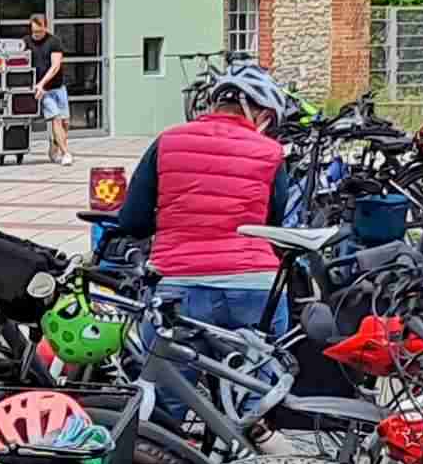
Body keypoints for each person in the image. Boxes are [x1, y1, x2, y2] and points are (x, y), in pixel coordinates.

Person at [101, 62, 297, 333]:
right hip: (253, 285)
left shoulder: (167, 141)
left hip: (177, 284)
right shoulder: (272, 153)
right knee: (261, 371)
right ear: (261, 114)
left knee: (165, 373)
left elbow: (133, 220)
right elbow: (272, 228)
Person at [27, 11, 73, 160]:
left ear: (45, 28)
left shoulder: (54, 42)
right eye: (34, 31)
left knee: (65, 122)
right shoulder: (26, 42)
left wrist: (42, 82)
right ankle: (66, 153)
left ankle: (55, 142)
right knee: (56, 118)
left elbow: (55, 66)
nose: (36, 35)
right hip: (43, 91)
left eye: (39, 32)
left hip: (58, 87)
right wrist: (38, 86)